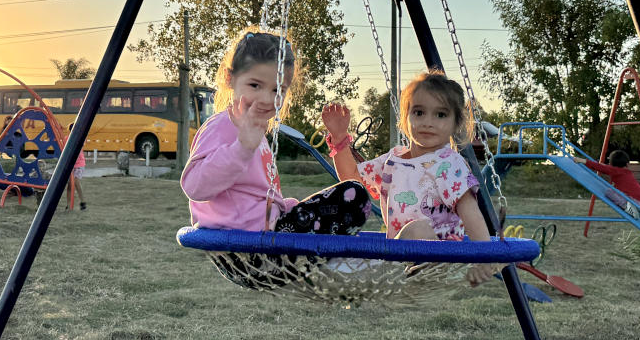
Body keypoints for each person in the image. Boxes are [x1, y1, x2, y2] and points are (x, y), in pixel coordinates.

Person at [181, 28, 371, 241]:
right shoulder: (223, 125)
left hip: (266, 232)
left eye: (277, 90)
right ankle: (317, 253)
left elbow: (255, 194)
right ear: (229, 78)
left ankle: (318, 253)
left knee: (355, 199)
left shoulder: (256, 130)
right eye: (255, 85)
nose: (266, 99)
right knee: (352, 196)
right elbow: (194, 187)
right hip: (241, 239)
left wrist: (284, 207)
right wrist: (241, 148)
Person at [322, 69, 494, 287]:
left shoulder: (449, 163)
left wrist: (484, 258)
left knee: (417, 229)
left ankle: (390, 275)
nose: (428, 122)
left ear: (456, 124)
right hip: (399, 256)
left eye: (441, 115)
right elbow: (352, 178)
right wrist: (339, 140)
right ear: (405, 118)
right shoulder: (393, 159)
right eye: (419, 112)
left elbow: (470, 211)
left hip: (440, 257)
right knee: (343, 251)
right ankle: (376, 276)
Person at [575, 150, 640, 216]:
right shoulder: (627, 172)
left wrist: (583, 161)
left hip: (633, 201)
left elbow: (600, 167)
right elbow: (604, 166)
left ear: (611, 164)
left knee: (609, 192)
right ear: (627, 164)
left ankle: (627, 207)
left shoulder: (616, 171)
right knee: (616, 191)